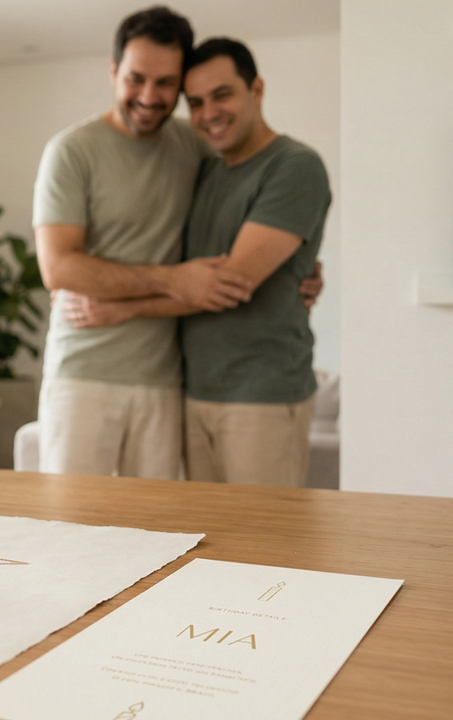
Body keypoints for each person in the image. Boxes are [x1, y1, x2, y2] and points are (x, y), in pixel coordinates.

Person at [65, 38, 331, 488]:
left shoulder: (295, 165)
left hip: (261, 394)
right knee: (208, 543)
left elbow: (228, 283)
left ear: (257, 89)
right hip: (194, 392)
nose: (208, 113)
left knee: (260, 548)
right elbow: (185, 267)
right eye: (196, 102)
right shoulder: (207, 168)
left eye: (222, 94)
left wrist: (122, 306)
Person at [33, 6, 252, 481]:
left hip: (163, 379)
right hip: (83, 371)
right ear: (113, 71)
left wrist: (301, 269)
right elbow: (60, 268)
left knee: (153, 532)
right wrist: (176, 279)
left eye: (165, 83)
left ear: (181, 84)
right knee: (68, 527)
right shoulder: (72, 151)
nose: (149, 97)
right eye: (136, 79)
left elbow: (244, 213)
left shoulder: (192, 145)